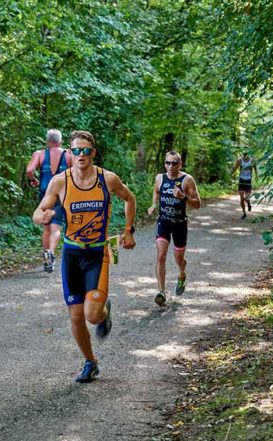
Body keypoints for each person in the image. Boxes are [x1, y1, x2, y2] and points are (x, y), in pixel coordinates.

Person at [33, 130, 136, 383]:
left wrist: (128, 230)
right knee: (76, 315)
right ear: (70, 153)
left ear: (93, 153)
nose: (81, 155)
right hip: (71, 253)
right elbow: (39, 211)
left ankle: (103, 309)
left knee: (92, 315)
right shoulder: (60, 181)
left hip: (99, 251)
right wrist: (41, 217)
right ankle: (91, 362)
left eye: (86, 150)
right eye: (76, 150)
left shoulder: (108, 179)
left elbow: (129, 198)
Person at [147, 151, 201, 307]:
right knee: (161, 256)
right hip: (163, 222)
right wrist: (153, 205)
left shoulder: (187, 180)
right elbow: (156, 191)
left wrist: (182, 197)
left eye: (174, 163)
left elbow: (197, 204)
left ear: (180, 164)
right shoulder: (160, 178)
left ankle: (182, 273)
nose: (171, 166)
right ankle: (161, 292)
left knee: (178, 259)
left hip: (179, 225)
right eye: (168, 163)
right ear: (165, 164)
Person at [26, 129, 72, 272]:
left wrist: (34, 180)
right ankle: (51, 252)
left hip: (45, 195)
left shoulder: (39, 154)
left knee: (46, 228)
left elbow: (29, 171)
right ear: (60, 141)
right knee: (56, 227)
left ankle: (47, 253)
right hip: (61, 195)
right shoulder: (68, 155)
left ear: (47, 140)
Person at [231, 151, 258, 219]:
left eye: (247, 154)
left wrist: (256, 176)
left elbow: (255, 168)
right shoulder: (239, 160)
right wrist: (232, 171)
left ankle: (248, 204)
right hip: (241, 181)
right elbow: (235, 168)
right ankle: (244, 213)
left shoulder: (252, 160)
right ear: (243, 154)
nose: (246, 155)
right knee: (242, 199)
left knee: (246, 198)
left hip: (248, 181)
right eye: (244, 154)